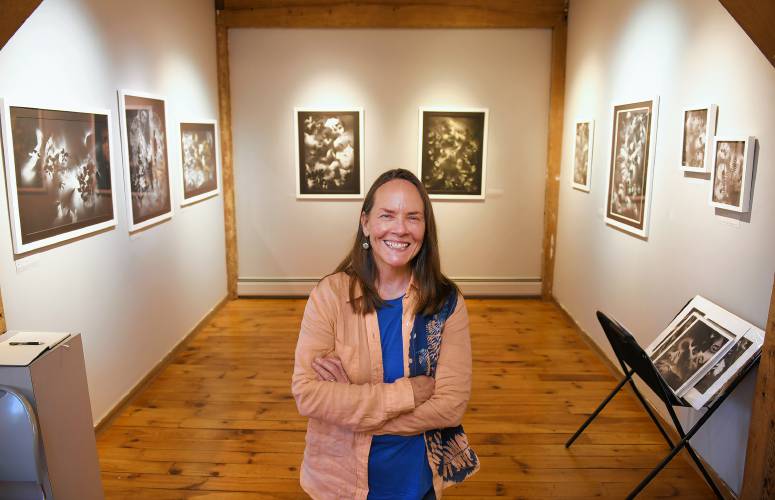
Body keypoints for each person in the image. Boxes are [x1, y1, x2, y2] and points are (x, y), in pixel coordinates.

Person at [291, 169, 478, 499]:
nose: (400, 228)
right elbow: (308, 394)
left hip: (416, 481)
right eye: (387, 215)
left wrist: (351, 408)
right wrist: (405, 395)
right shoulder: (329, 295)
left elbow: (450, 407)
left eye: (413, 217)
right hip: (340, 482)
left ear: (425, 229)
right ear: (365, 223)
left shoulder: (447, 303)